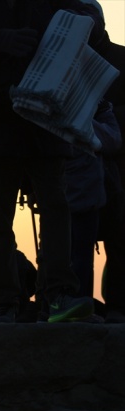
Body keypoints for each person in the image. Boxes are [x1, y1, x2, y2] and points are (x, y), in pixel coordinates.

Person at [0, 0, 103, 323]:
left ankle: (58, 295)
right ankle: (4, 303)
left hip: (47, 108)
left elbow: (85, 14)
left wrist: (86, 20)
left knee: (57, 207)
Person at [64, 100, 121, 321]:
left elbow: (111, 140)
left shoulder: (101, 107)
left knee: (81, 252)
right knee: (77, 252)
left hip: (90, 188)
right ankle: (77, 302)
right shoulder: (101, 109)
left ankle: (82, 304)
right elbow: (111, 139)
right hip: (80, 188)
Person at [90, 2, 125, 323]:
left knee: (118, 238)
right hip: (78, 162)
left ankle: (116, 304)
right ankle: (76, 303)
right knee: (75, 237)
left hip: (119, 163)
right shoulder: (67, 61)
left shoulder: (122, 59)